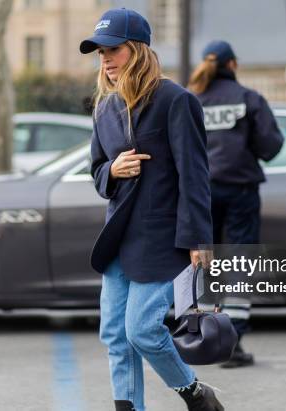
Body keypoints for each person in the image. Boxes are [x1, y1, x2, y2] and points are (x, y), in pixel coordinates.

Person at [81, 9, 223, 411]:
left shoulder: (176, 101)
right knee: (115, 335)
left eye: (114, 50)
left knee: (142, 330)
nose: (106, 60)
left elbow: (195, 175)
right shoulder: (103, 109)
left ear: (138, 50)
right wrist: (114, 169)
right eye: (100, 53)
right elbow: (96, 171)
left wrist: (199, 240)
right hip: (118, 240)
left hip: (163, 240)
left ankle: (195, 393)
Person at [188, 40, 285, 369]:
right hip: (241, 189)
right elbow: (271, 145)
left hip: (202, 192)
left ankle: (204, 337)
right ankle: (234, 341)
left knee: (204, 262)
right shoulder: (249, 99)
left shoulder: (192, 101)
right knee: (241, 263)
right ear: (233, 65)